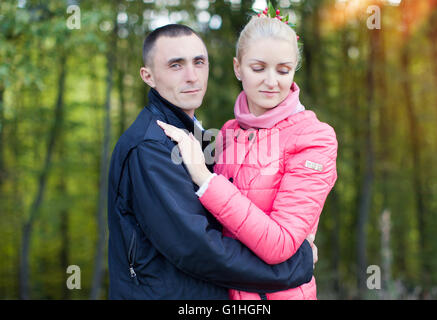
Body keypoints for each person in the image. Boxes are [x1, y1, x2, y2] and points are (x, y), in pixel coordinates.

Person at [107, 23, 317, 300]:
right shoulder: (151, 146)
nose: (192, 76)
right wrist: (295, 265)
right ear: (148, 76)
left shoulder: (200, 136)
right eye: (176, 65)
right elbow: (196, 247)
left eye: (199, 62)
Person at [158, 11, 338, 300]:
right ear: (238, 68)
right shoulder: (228, 132)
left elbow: (279, 244)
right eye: (258, 68)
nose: (271, 81)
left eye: (283, 70)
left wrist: (205, 178)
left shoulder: (315, 137)